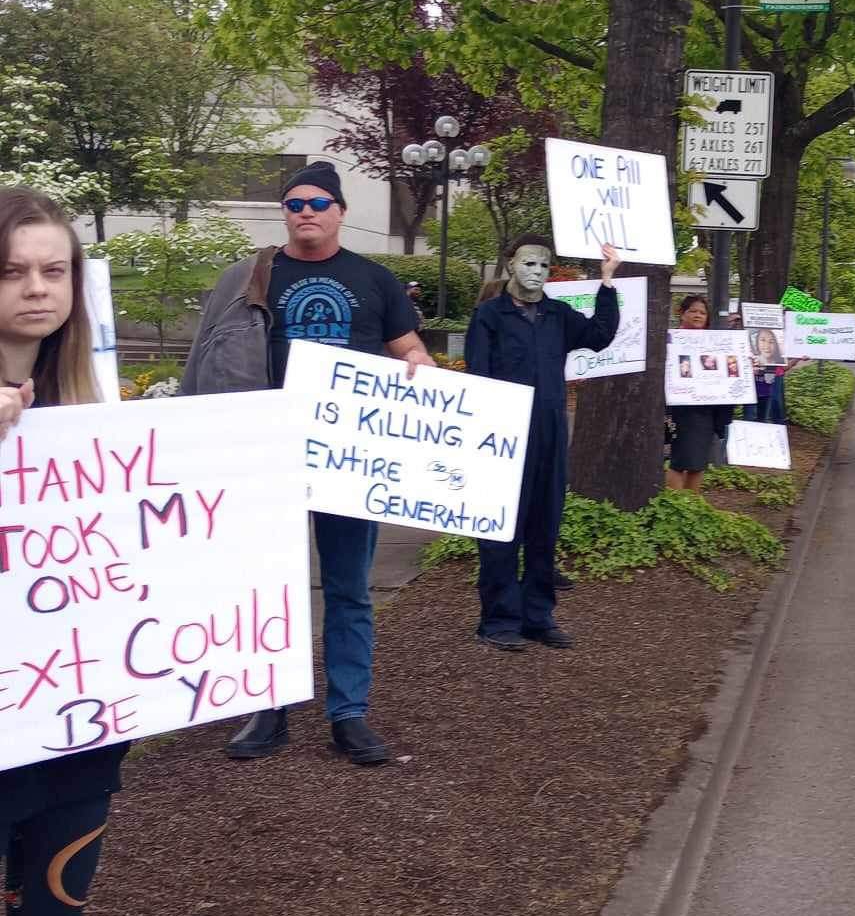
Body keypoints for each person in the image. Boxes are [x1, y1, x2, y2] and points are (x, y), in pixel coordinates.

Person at [180, 161, 432, 766]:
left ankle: (349, 714)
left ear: (341, 210)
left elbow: (408, 346)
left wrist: (420, 359)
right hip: (272, 458)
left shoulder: (375, 280)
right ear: (285, 214)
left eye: (319, 202)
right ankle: (269, 709)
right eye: (294, 204)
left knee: (349, 590)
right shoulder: (254, 277)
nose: (307, 212)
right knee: (271, 589)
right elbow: (214, 355)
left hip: (351, 461)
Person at [0, 188, 129, 916]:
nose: (38, 290)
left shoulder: (95, 406)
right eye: (13, 271)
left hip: (74, 721)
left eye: (55, 271)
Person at [466, 233, 620, 651]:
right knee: (501, 531)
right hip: (503, 438)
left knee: (544, 527)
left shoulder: (558, 315)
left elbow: (600, 335)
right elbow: (477, 377)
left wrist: (607, 282)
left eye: (544, 266)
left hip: (550, 434)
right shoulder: (488, 317)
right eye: (528, 263)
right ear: (511, 264)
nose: (536, 272)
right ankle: (499, 620)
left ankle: (538, 616)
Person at [666, 293, 735, 492]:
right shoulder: (671, 340)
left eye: (702, 312)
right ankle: (675, 505)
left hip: (707, 409)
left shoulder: (716, 343)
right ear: (682, 314)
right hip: (681, 408)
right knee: (680, 460)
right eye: (693, 311)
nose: (698, 315)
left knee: (699, 462)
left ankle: (692, 507)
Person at [749, 325, 787, 424]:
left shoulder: (779, 360)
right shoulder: (749, 359)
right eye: (762, 340)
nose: (767, 345)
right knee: (750, 418)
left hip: (768, 391)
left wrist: (798, 358)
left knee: (764, 419)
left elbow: (784, 368)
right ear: (757, 342)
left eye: (771, 341)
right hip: (752, 389)